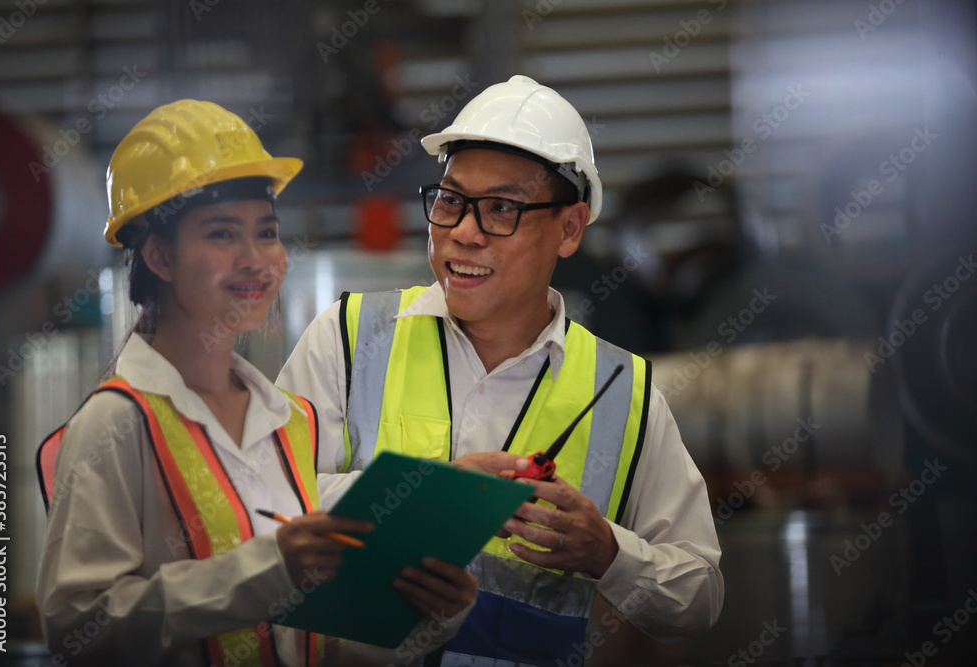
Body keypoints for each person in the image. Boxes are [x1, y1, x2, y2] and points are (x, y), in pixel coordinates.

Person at [277, 75, 724, 666]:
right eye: (450, 200)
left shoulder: (624, 394)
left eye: (502, 209)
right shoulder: (348, 338)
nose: (463, 232)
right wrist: (425, 500)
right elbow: (259, 509)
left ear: (570, 228)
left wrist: (609, 554)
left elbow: (698, 598)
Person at [35, 99, 482, 667]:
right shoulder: (118, 424)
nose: (255, 260)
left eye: (267, 233)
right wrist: (268, 573)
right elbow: (79, 628)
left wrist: (428, 619)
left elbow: (306, 640)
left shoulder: (288, 421)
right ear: (159, 256)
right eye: (222, 234)